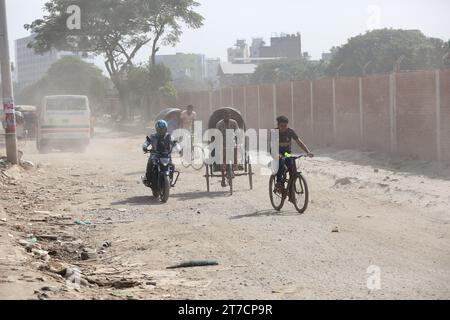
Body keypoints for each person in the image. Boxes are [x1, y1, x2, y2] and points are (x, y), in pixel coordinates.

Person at [273, 116, 313, 192]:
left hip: (287, 153)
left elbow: (299, 142)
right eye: (282, 126)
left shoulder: (290, 131)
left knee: (291, 163)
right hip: (276, 152)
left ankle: (291, 189)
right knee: (281, 161)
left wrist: (308, 152)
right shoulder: (274, 132)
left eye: (285, 126)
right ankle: (279, 183)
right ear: (278, 125)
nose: (284, 127)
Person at [142, 120, 178, 186]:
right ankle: (147, 178)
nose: (161, 131)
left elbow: (175, 144)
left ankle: (170, 179)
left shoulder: (169, 136)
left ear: (166, 128)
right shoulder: (152, 136)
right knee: (150, 163)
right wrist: (144, 147)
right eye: (160, 129)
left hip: (166, 155)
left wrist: (179, 149)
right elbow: (147, 142)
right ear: (156, 129)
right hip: (155, 155)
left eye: (163, 129)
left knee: (172, 166)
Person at [216, 111, 240, 187]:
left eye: (228, 115)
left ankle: (235, 165)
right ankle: (223, 178)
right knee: (222, 159)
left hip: (231, 142)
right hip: (222, 142)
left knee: (236, 148)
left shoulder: (234, 123)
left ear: (230, 116)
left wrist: (239, 139)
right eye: (225, 115)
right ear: (223, 116)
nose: (227, 117)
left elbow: (237, 132)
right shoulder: (219, 124)